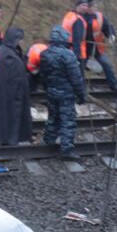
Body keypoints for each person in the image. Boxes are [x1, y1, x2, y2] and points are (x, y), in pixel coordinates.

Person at [38, 26, 88, 160]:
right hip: (66, 94)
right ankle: (66, 150)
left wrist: (47, 88)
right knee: (68, 120)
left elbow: (42, 75)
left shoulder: (45, 54)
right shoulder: (68, 55)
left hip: (51, 91)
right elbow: (76, 78)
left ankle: (48, 141)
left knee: (53, 117)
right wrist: (81, 95)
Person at [0, 28, 32, 146]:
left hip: (6, 91)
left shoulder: (5, 51)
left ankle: (7, 138)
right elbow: (16, 74)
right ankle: (10, 139)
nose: (21, 42)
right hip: (11, 93)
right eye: (20, 39)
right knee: (11, 116)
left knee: (6, 115)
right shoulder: (8, 55)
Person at [83, 0, 117, 103]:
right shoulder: (82, 18)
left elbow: (108, 27)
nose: (95, 8)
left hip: (98, 49)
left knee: (107, 65)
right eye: (93, 6)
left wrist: (111, 35)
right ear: (88, 8)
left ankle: (116, 92)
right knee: (78, 68)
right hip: (84, 49)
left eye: (96, 6)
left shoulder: (100, 17)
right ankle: (79, 93)